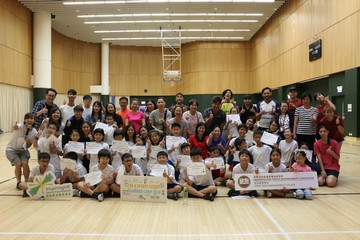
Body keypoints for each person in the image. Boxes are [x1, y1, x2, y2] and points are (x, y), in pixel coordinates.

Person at [5, 113, 37, 190]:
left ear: (34, 120)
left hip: (23, 150)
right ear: (24, 120)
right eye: (27, 118)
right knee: (18, 164)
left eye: (31, 118)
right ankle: (18, 182)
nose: (29, 120)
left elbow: (29, 146)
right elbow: (15, 127)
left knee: (25, 163)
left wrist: (28, 140)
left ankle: (26, 182)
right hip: (11, 149)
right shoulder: (20, 126)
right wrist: (15, 126)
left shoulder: (34, 132)